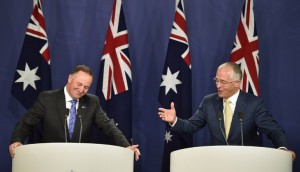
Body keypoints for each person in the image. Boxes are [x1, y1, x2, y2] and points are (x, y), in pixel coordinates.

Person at [158, 62, 296, 160]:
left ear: (237, 83)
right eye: (216, 80)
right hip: (218, 163)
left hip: (247, 164)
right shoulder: (209, 102)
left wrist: (282, 149)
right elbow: (191, 126)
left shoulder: (254, 104)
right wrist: (174, 121)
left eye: (223, 82)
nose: (218, 85)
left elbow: (274, 131)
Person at [9, 65, 140, 160]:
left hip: (79, 161)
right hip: (50, 160)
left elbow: (109, 126)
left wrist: (126, 146)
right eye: (79, 84)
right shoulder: (47, 99)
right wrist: (16, 140)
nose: (82, 90)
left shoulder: (92, 102)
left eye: (86, 87)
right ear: (70, 78)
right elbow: (26, 123)